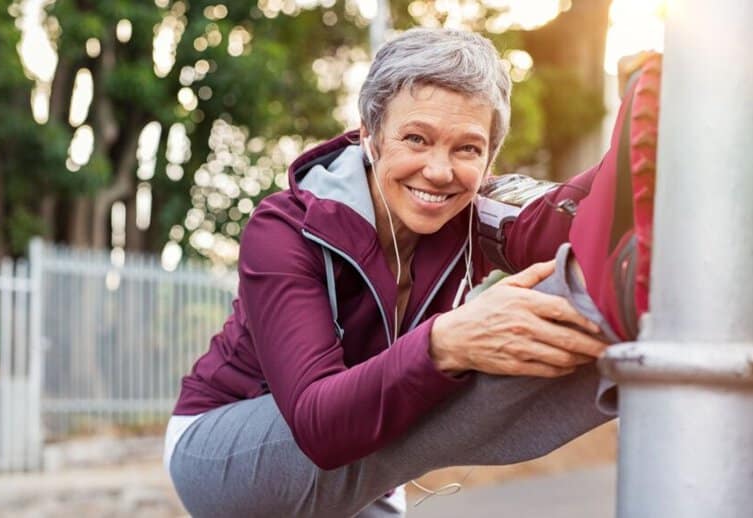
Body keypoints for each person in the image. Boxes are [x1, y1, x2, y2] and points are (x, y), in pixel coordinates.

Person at [165, 28, 660, 517]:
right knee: (482, 344)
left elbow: (559, 218)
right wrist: (445, 343)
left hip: (368, 474)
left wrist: (653, 141)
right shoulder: (289, 228)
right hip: (228, 452)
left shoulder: (474, 215)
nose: (440, 171)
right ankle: (618, 303)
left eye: (467, 149)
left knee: (562, 286)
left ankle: (642, 302)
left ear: (489, 157)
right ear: (371, 136)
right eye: (416, 139)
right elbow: (318, 422)